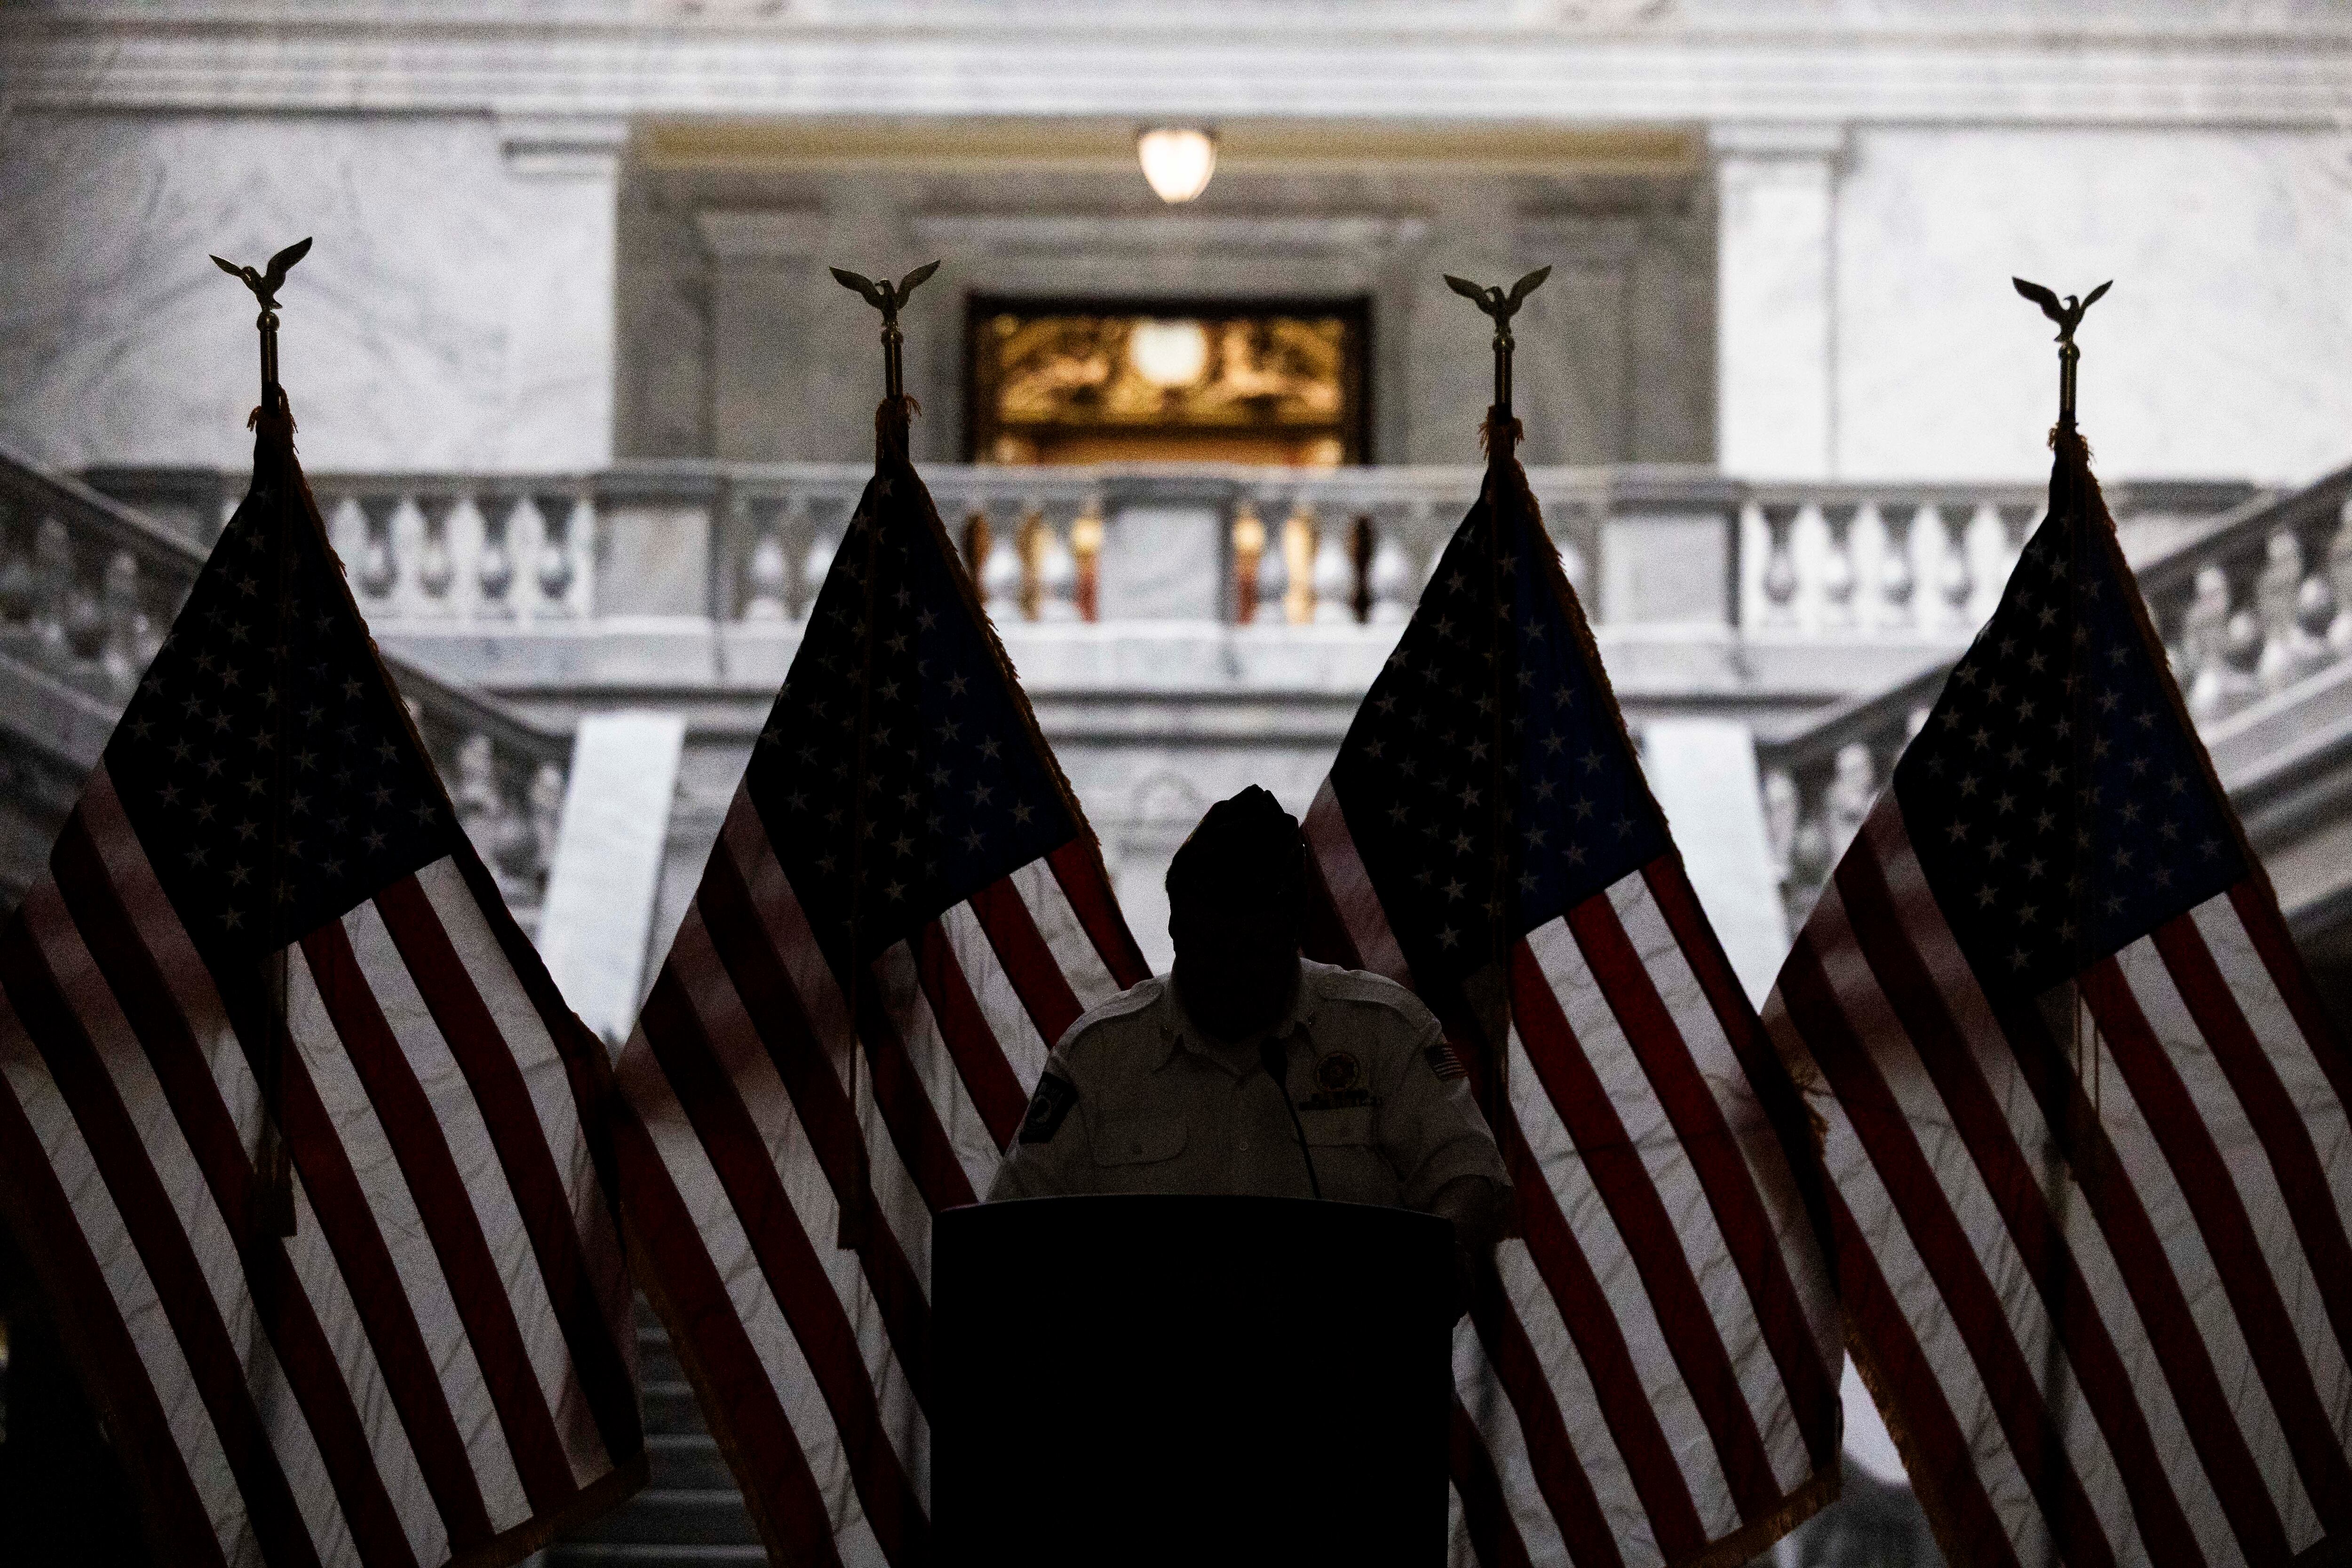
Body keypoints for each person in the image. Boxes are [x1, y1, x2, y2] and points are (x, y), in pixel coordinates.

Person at [988, 786, 1510, 1275]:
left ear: (1292, 933)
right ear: (1176, 926)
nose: (1228, 973)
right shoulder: (1099, 1057)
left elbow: (1468, 1178)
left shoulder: (1382, 1033)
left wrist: (1447, 1255)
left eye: (1251, 953)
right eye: (1208, 947)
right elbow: (1011, 1230)